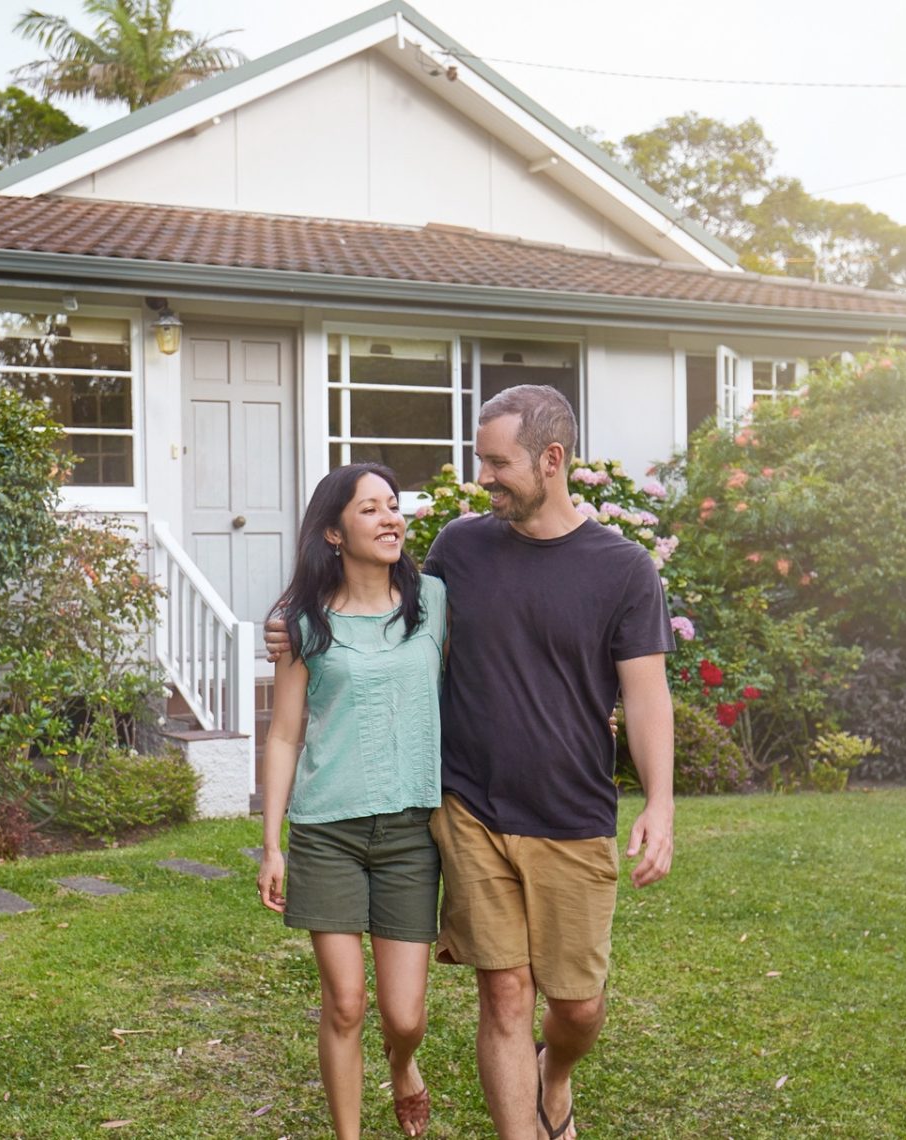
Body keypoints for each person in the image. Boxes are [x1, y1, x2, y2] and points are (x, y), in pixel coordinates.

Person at [269, 385, 676, 1140]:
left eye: (497, 463)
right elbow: (376, 606)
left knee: (578, 1005)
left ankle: (555, 1075)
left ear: (551, 460)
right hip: (470, 807)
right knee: (505, 994)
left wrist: (659, 803)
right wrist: (291, 628)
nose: (482, 479)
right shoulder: (462, 546)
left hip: (572, 813)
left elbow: (647, 697)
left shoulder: (623, 571)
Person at [256, 462, 448, 1140]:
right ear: (334, 532)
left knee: (405, 1017)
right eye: (370, 510)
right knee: (344, 1003)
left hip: (409, 834)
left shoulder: (435, 602)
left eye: (393, 505)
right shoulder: (303, 623)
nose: (390, 518)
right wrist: (272, 843)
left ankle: (404, 1067)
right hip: (326, 832)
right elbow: (283, 734)